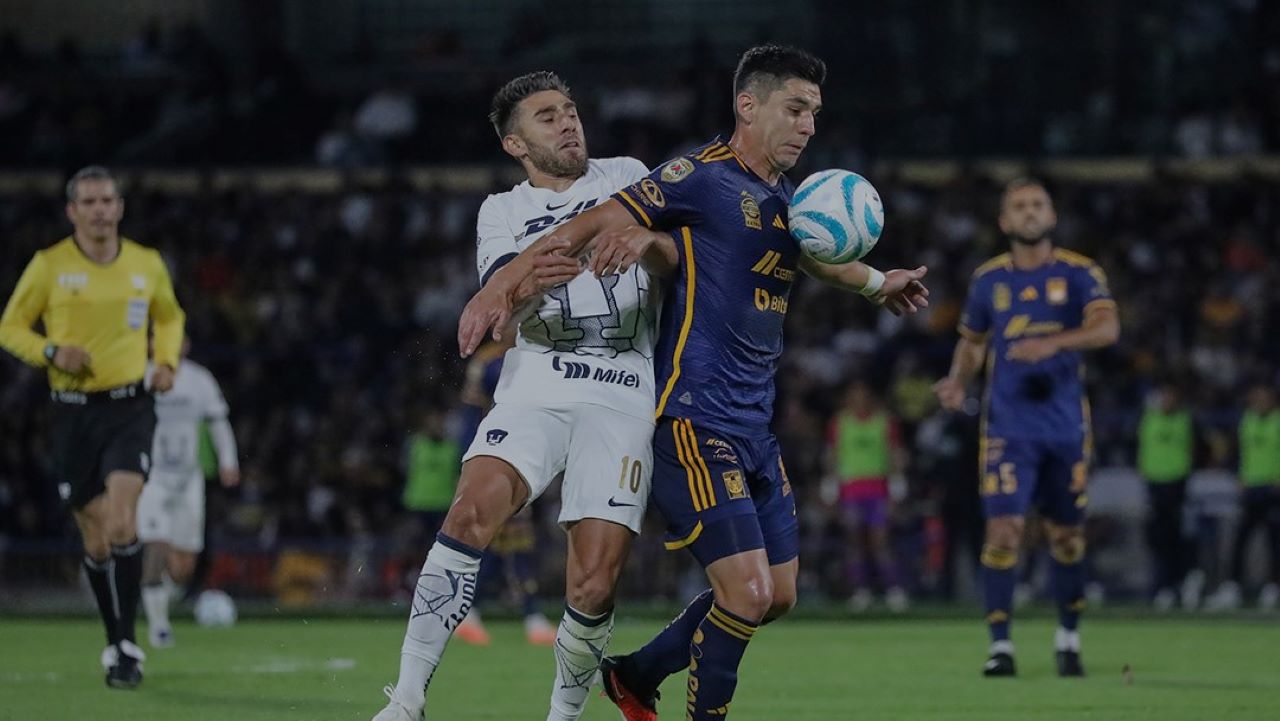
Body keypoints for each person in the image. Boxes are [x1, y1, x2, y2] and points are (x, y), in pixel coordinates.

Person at [458, 44, 929, 721]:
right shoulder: (699, 176)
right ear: (748, 105)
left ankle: (637, 672)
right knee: (744, 594)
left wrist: (882, 281)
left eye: (815, 115)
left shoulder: (786, 198)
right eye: (794, 109)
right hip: (694, 421)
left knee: (780, 593)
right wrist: (503, 282)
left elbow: (821, 260)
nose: (807, 126)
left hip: (753, 428)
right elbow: (595, 218)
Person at [372, 71, 669, 721]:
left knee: (593, 578)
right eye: (546, 116)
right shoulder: (501, 211)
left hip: (622, 387)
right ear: (516, 143)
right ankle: (407, 698)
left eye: (570, 109)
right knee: (469, 511)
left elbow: (686, 258)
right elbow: (500, 321)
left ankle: (563, 714)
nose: (567, 122)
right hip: (537, 381)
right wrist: (533, 286)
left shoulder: (629, 175)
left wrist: (653, 243)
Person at [0, 165, 185, 689]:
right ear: (73, 212)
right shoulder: (49, 266)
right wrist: (51, 350)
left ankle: (127, 645)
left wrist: (165, 361)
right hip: (72, 412)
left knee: (124, 521)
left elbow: (169, 317)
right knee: (98, 538)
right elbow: (9, 326)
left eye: (108, 200)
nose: (101, 210)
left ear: (120, 208)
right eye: (90, 202)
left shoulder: (146, 264)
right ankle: (115, 635)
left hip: (129, 407)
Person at [933, 177, 1119, 678]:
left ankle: (1068, 637)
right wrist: (956, 382)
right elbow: (973, 342)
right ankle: (1001, 647)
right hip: (1007, 429)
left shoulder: (1080, 274)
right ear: (1004, 222)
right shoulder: (989, 280)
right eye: (1020, 206)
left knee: (1065, 536)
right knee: (1005, 529)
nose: (1030, 212)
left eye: (1038, 204)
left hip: (1064, 429)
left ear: (1052, 215)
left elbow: (1107, 328)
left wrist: (1054, 343)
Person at [448, 338, 557, 647]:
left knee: (506, 543)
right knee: (508, 542)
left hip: (524, 454)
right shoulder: (490, 362)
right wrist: (468, 461)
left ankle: (472, 613)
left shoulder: (535, 354)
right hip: (497, 456)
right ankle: (527, 617)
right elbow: (471, 416)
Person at [137, 338, 240, 648]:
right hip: (152, 475)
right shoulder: (140, 375)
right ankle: (159, 626)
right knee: (157, 543)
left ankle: (157, 596)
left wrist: (228, 460)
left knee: (183, 567)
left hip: (188, 478)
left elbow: (218, 421)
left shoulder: (199, 379)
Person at [826, 379, 909, 612]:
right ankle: (861, 590)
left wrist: (897, 484)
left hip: (878, 488)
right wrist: (830, 485)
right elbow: (833, 454)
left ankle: (893, 589)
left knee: (880, 541)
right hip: (851, 489)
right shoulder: (840, 422)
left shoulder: (884, 421)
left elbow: (895, 453)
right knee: (854, 542)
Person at [1205, 381, 1280, 611]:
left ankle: (1273, 588)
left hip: (1272, 488)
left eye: (1263, 398)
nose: (1259, 403)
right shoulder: (1247, 420)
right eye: (1255, 398)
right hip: (1250, 487)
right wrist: (1240, 476)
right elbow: (1243, 451)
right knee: (1241, 540)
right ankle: (1232, 588)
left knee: (1274, 541)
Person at [1136, 379, 1195, 611]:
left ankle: (1176, 583)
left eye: (1171, 397)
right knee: (1156, 538)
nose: (1166, 401)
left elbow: (1197, 448)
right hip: (1154, 485)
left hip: (1176, 484)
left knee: (1173, 537)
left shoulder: (1185, 420)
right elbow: (1141, 448)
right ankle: (1163, 585)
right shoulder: (1148, 419)